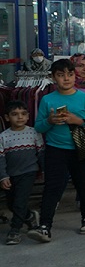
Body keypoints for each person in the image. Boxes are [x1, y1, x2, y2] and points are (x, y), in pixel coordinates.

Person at [30, 58, 85, 241]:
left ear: (74, 76)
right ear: (53, 78)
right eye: (61, 75)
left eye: (70, 74)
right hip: (56, 149)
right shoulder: (47, 99)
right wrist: (50, 121)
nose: (66, 79)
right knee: (52, 187)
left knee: (84, 184)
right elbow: (38, 127)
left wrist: (76, 120)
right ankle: (45, 226)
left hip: (82, 148)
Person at [2, 101, 44, 244]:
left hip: (28, 172)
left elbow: (41, 153)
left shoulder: (33, 132)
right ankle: (29, 216)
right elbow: (0, 159)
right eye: (15, 114)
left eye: (23, 114)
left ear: (28, 116)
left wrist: (44, 170)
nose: (19, 117)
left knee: (20, 201)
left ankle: (15, 231)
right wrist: (3, 176)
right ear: (7, 118)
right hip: (11, 174)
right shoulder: (3, 137)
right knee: (11, 204)